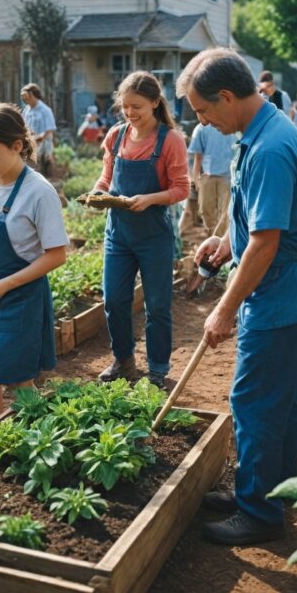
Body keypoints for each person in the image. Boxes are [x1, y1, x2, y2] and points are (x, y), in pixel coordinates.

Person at [178, 48, 297, 546]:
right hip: (286, 286)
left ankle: (259, 513)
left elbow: (266, 243)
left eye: (202, 111)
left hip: (279, 291)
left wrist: (224, 308)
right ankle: (270, 490)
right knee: (277, 398)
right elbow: (257, 224)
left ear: (226, 96)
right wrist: (225, 242)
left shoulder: (269, 148)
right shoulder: (259, 132)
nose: (202, 122)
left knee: (254, 398)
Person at [0, 103, 69, 423]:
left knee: (8, 379)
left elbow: (57, 255)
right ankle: (0, 444)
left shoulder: (39, 192)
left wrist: (5, 284)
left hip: (19, 297)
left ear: (17, 146)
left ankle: (26, 444)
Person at [92, 71, 189, 389]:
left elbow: (181, 189)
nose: (130, 113)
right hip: (118, 234)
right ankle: (123, 360)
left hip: (153, 235)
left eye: (138, 107)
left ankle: (158, 368)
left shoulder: (169, 140)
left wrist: (148, 199)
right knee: (114, 301)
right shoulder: (116, 137)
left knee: (157, 305)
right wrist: (97, 193)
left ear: (155, 103)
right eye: (125, 107)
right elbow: (106, 177)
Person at [189, 122, 237, 236]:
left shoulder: (231, 125)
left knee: (224, 212)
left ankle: (220, 244)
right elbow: (197, 156)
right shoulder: (201, 128)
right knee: (205, 210)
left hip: (228, 176)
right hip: (207, 176)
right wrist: (195, 178)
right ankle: (213, 238)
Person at [20, 84, 57, 177]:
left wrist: (39, 138)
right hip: (29, 146)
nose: (24, 100)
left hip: (43, 146)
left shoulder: (45, 110)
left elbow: (49, 129)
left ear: (32, 94)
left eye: (26, 97)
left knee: (42, 172)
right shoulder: (27, 110)